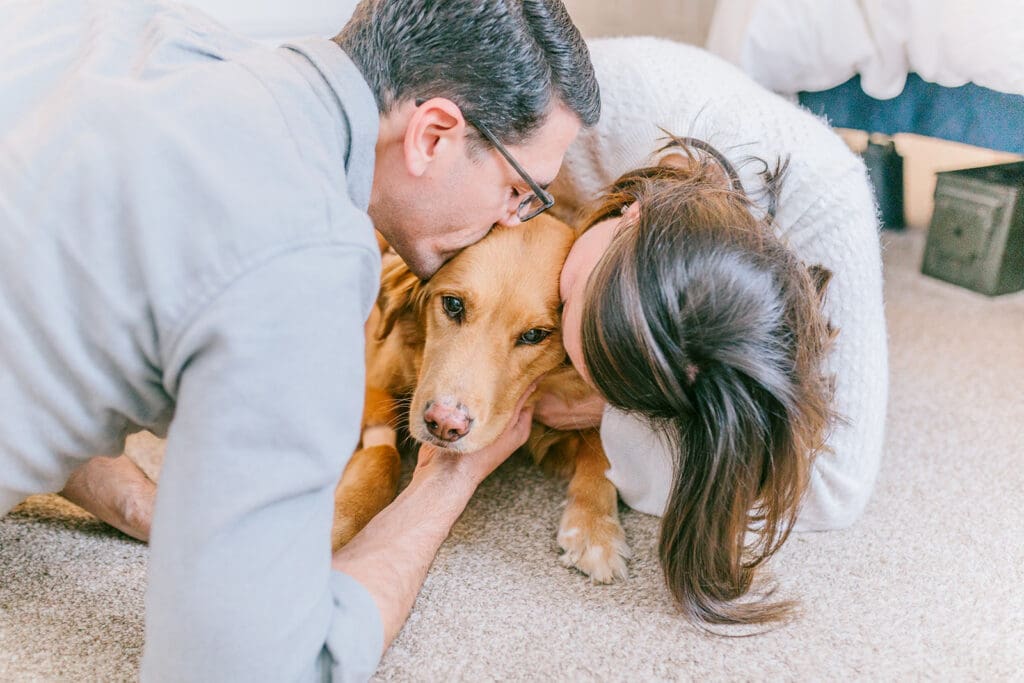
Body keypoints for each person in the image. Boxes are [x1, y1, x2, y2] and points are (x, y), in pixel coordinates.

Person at [0, 0, 598, 679]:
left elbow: (44, 336)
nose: (511, 221)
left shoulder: (131, 29)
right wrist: (445, 488)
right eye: (522, 191)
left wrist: (142, 505)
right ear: (433, 135)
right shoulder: (307, 265)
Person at [534, 37, 888, 625]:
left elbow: (835, 492)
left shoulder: (830, 207)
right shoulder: (589, 102)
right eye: (567, 296)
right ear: (634, 213)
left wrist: (603, 412)